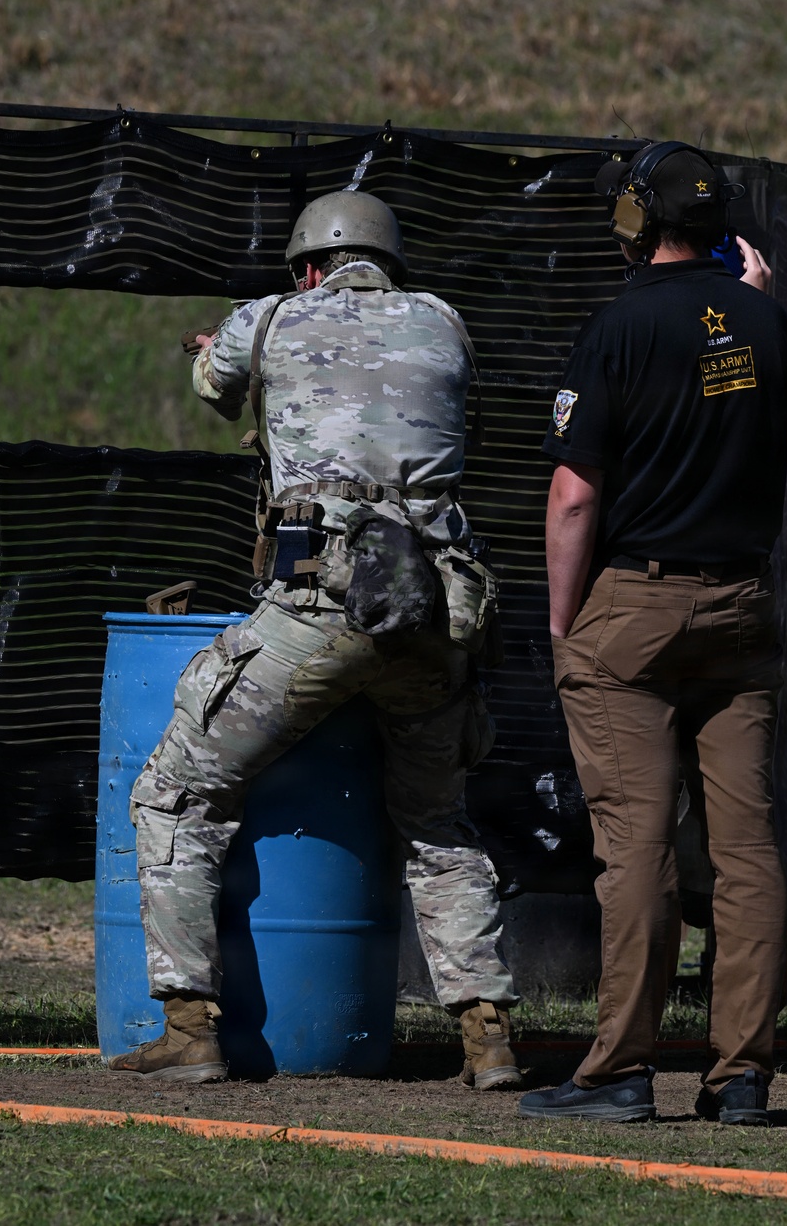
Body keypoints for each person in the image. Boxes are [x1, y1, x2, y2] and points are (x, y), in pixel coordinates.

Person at [108, 190, 520, 1090]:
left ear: (308, 266)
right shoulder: (446, 321)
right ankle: (488, 1036)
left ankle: (188, 1026)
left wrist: (223, 354)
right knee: (436, 820)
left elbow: (213, 393)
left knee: (176, 792)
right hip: (436, 609)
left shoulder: (277, 314)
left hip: (321, 607)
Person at [519, 142, 787, 1126]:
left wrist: (567, 625)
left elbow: (574, 497)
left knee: (638, 851)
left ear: (636, 222)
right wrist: (759, 306)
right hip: (742, 609)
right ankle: (741, 1073)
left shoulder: (614, 327)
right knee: (746, 852)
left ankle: (618, 1073)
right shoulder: (764, 319)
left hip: (635, 612)